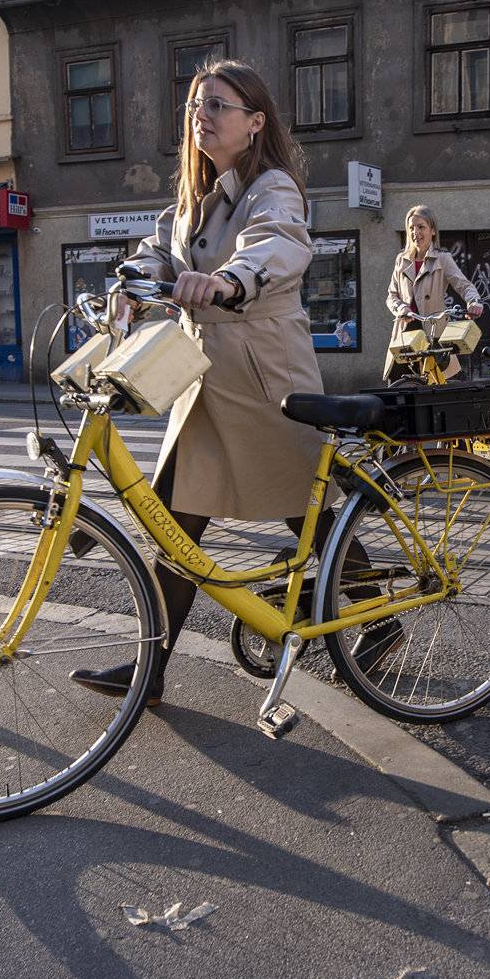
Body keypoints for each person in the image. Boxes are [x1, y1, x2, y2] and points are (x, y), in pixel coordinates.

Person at [72, 59, 386, 704]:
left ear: (254, 122)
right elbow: (158, 248)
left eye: (217, 105)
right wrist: (129, 284)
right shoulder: (196, 198)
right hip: (206, 372)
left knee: (308, 510)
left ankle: (378, 618)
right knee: (174, 524)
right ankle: (150, 672)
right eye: (195, 106)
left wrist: (228, 280)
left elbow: (276, 243)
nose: (202, 117)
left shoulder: (273, 187)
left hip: (265, 370)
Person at [382, 204, 483, 380]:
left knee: (441, 387)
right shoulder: (402, 260)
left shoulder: (442, 258)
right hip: (406, 333)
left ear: (433, 230)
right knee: (397, 389)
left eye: (421, 227)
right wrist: (401, 309)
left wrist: (474, 302)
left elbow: (464, 285)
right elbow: (392, 295)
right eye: (411, 228)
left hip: (433, 331)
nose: (416, 233)